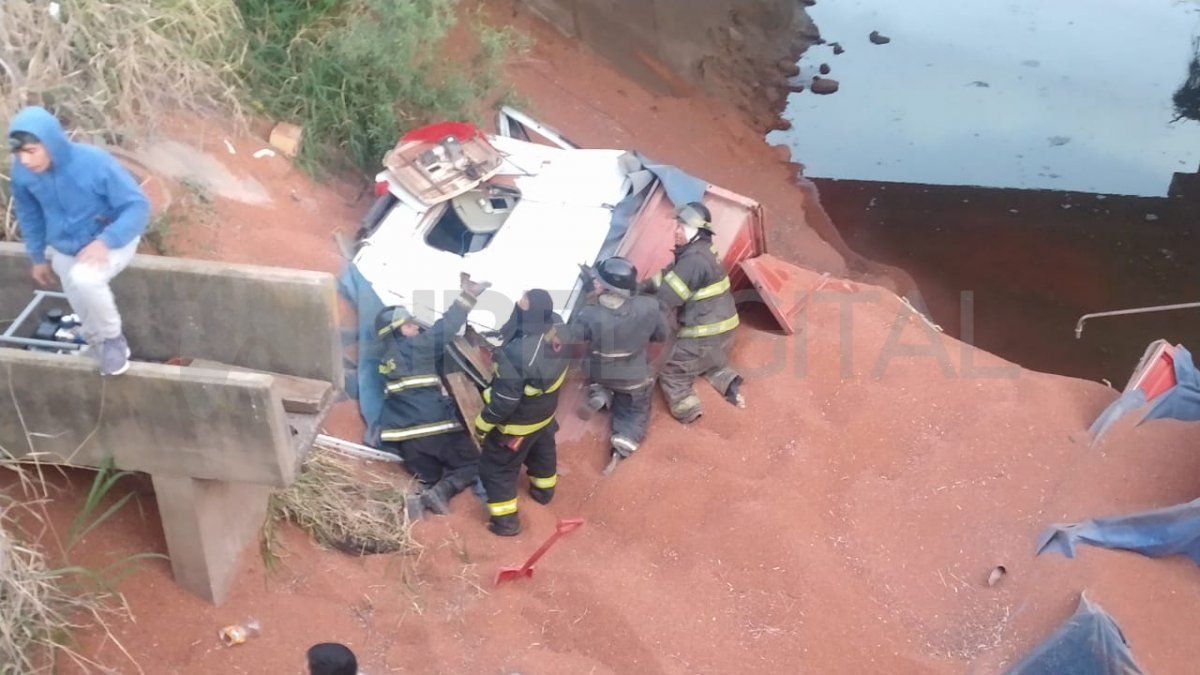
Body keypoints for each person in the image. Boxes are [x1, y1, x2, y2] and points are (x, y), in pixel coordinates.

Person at [8, 106, 149, 376]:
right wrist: (37, 257)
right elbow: (30, 215)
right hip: (68, 246)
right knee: (73, 286)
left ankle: (113, 340)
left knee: (86, 278)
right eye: (19, 153)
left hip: (115, 238)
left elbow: (137, 206)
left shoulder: (94, 162)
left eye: (31, 151)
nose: (25, 160)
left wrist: (106, 241)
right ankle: (97, 343)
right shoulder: (24, 174)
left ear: (50, 143)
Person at [376, 273, 490, 516]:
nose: (416, 326)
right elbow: (446, 327)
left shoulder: (385, 359)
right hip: (437, 431)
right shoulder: (419, 346)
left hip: (408, 443)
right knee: (478, 463)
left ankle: (421, 495)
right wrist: (467, 296)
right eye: (409, 324)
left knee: (430, 476)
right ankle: (442, 492)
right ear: (397, 331)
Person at [560, 256, 668, 474]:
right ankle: (622, 446)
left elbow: (573, 335)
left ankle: (600, 393)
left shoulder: (590, 314)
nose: (596, 282)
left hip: (598, 372)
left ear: (610, 288)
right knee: (633, 413)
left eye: (600, 281)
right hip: (632, 378)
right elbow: (661, 335)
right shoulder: (649, 307)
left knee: (589, 363)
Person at [474, 289, 568, 536]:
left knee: (497, 469)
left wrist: (483, 424)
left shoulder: (516, 355)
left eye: (522, 302)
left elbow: (505, 402)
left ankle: (506, 523)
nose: (517, 303)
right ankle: (543, 492)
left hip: (517, 427)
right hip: (545, 415)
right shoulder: (558, 324)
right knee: (542, 451)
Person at [651, 201, 744, 423]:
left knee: (672, 370)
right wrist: (640, 286)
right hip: (725, 331)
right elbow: (669, 277)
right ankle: (724, 377)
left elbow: (665, 301)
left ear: (696, 230)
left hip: (706, 335)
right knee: (704, 358)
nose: (676, 231)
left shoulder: (693, 260)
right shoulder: (701, 250)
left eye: (681, 227)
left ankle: (688, 411)